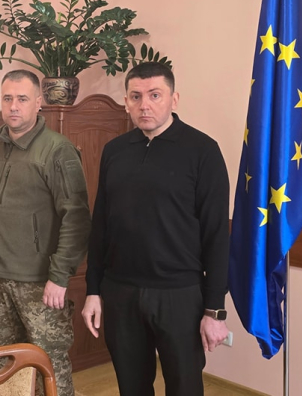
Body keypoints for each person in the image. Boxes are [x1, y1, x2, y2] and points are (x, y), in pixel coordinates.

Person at [81, 62, 230, 396]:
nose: (144, 105)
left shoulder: (203, 151)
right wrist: (93, 290)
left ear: (174, 99)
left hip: (180, 294)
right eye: (136, 96)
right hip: (120, 292)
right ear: (126, 102)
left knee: (184, 387)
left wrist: (214, 310)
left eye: (154, 95)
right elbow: (101, 225)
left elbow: (217, 235)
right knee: (131, 387)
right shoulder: (114, 151)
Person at [0, 69, 91, 396]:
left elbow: (76, 218)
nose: (13, 106)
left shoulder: (57, 150)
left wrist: (60, 276)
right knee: (5, 364)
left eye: (22, 98)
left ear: (38, 103)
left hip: (40, 282)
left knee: (49, 364)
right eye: (7, 98)